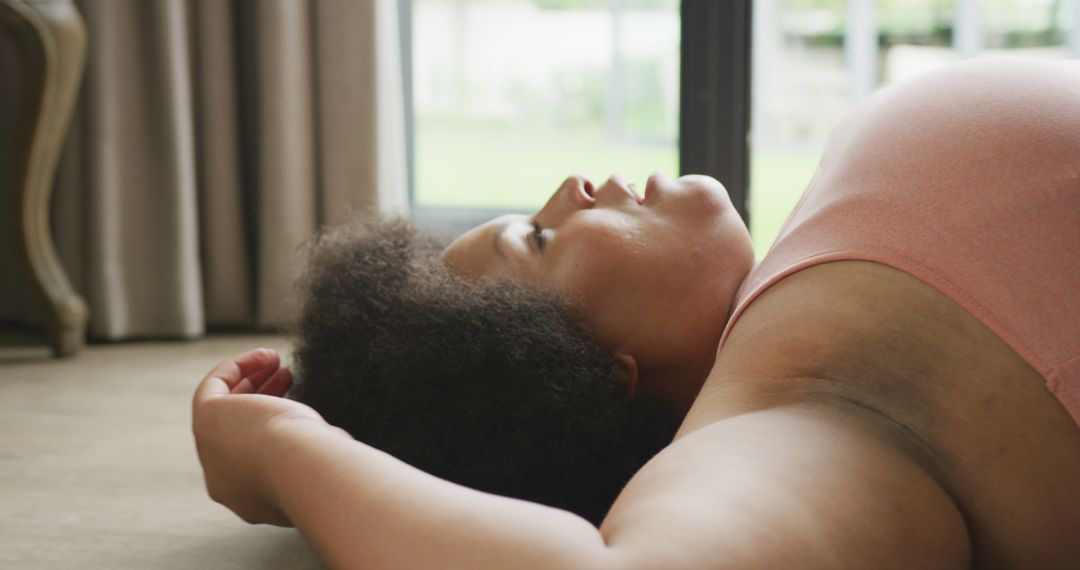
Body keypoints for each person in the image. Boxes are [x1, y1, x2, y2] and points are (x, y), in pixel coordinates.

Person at [192, 57, 1080, 568]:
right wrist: (285, 454)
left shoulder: (793, 314)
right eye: (539, 239)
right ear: (594, 373)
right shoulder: (794, 423)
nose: (569, 188)